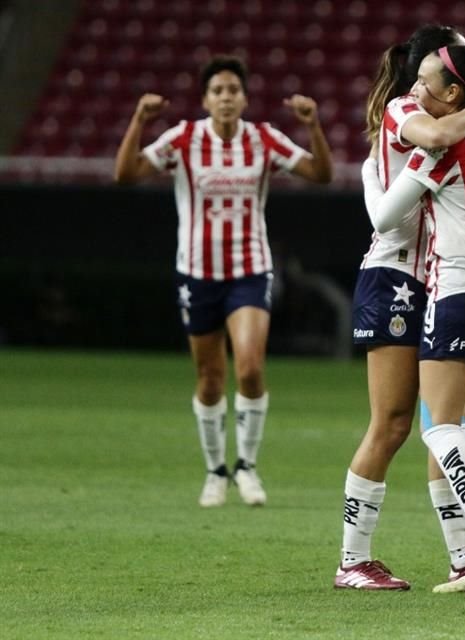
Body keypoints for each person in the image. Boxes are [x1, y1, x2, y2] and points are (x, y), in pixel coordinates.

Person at [114, 55, 333, 507]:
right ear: (206, 99)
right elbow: (126, 174)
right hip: (197, 274)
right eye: (218, 91)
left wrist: (313, 126)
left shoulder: (265, 139)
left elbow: (321, 175)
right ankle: (215, 471)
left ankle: (246, 468)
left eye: (234, 90)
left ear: (245, 98)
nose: (226, 98)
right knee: (210, 378)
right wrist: (138, 119)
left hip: (249, 270)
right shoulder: (185, 139)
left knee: (250, 367)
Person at [336, 25, 465, 591]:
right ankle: (352, 559)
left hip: (427, 275)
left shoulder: (414, 108)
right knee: (394, 421)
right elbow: (436, 136)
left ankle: (464, 557)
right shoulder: (405, 105)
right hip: (393, 274)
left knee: (438, 422)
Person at [363, 44, 465, 595]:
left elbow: (386, 218)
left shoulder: (446, 147)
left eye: (425, 83)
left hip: (457, 289)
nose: (414, 91)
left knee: (438, 428)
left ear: (454, 95)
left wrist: (369, 173)